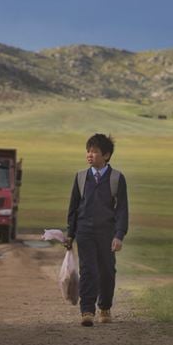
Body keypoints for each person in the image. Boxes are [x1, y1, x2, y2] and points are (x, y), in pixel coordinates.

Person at [65, 133, 129, 327]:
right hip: (84, 231)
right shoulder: (81, 177)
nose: (89, 155)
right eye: (88, 151)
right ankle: (87, 310)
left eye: (94, 152)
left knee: (107, 271)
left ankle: (105, 307)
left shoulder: (117, 178)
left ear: (106, 155)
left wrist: (119, 235)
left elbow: (122, 209)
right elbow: (73, 207)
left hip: (107, 232)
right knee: (88, 270)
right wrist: (70, 233)